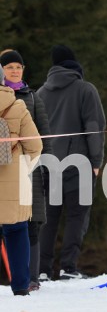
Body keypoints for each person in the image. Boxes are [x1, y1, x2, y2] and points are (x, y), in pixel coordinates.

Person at [37, 45, 106, 279]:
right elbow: (94, 127)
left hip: (48, 164)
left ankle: (43, 270)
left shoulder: (40, 94)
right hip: (79, 165)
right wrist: (96, 161)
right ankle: (68, 267)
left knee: (49, 218)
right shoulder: (85, 90)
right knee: (77, 216)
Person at [1, 50, 52, 291]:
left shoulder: (31, 98)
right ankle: (22, 285)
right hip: (17, 177)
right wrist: (23, 166)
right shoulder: (19, 106)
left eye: (18, 66)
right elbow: (37, 144)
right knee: (18, 229)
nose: (14, 71)